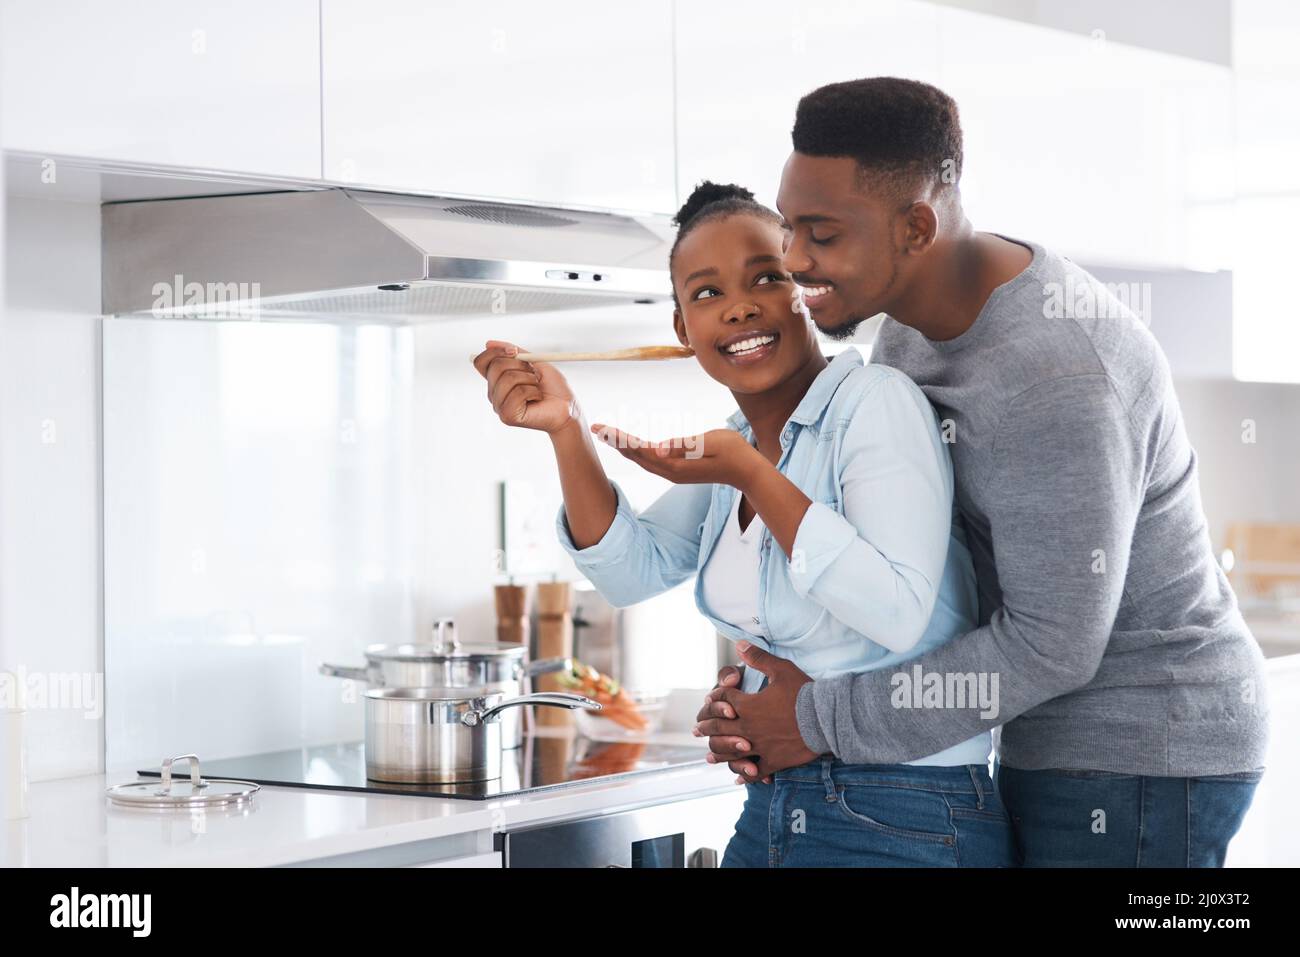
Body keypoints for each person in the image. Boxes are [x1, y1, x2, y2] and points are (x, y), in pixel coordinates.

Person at [693, 77, 1269, 867]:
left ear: (915, 227)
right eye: (789, 227)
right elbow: (914, 565)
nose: (793, 261)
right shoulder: (903, 332)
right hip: (1044, 731)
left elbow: (1054, 646)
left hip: (1141, 744)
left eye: (820, 234)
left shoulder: (1056, 375)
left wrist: (819, 718)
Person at [471, 180, 1015, 867]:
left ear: (806, 292)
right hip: (776, 803)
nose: (740, 307)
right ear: (681, 329)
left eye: (768, 276)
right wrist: (567, 429)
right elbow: (629, 570)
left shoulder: (875, 405)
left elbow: (898, 610)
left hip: (905, 806)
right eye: (706, 293)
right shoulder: (736, 443)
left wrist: (753, 474)